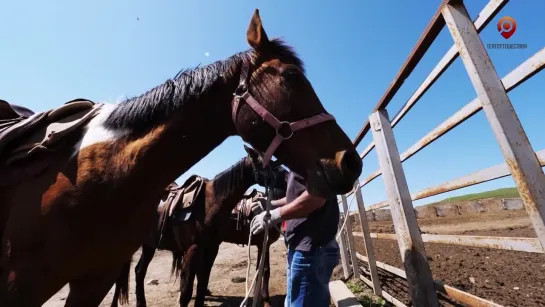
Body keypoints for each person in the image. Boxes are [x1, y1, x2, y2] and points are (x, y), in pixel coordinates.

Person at [250, 171, 340, 307]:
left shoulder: (312, 153)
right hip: (302, 248)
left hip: (311, 251)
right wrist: (271, 203)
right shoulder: (299, 161)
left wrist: (276, 214)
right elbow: (296, 196)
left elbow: (316, 196)